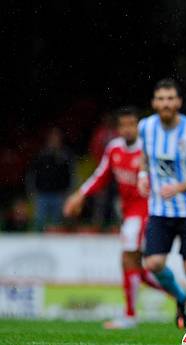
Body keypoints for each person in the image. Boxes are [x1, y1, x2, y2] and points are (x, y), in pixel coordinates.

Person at [63, 107, 162, 329]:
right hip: (128, 213)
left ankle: (130, 315)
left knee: (129, 259)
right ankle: (180, 295)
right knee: (138, 265)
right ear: (118, 128)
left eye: (131, 124)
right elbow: (101, 175)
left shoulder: (148, 150)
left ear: (139, 127)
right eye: (123, 125)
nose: (127, 129)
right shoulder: (114, 149)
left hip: (146, 211)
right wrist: (80, 195)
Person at [137, 79, 186, 329]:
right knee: (153, 263)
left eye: (170, 98)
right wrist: (142, 176)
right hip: (160, 210)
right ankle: (182, 298)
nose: (165, 103)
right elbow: (144, 159)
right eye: (161, 99)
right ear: (154, 103)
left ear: (178, 102)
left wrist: (178, 187)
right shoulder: (145, 127)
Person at [28, 127, 75, 231]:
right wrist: (32, 191)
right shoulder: (41, 154)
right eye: (52, 137)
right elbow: (32, 174)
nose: (54, 140)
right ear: (48, 139)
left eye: (56, 137)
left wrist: (69, 192)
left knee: (56, 224)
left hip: (59, 194)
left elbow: (72, 175)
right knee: (39, 222)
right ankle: (36, 245)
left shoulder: (66, 155)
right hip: (42, 194)